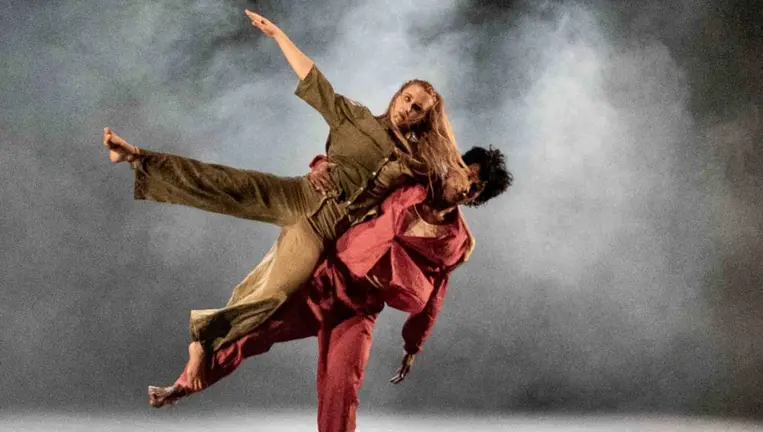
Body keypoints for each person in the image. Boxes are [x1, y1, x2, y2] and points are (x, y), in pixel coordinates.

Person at [103, 8, 471, 379]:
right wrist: (280, 36)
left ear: (424, 119)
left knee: (276, 293)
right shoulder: (354, 117)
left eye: (418, 108)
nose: (408, 108)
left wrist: (453, 159)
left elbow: (454, 173)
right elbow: (314, 80)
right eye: (407, 98)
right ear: (396, 96)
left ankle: (204, 339)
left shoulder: (414, 163)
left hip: (320, 230)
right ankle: (137, 157)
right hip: (298, 196)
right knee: (225, 182)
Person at [147, 146, 513, 432]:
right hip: (328, 279)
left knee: (343, 387)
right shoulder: (411, 182)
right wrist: (321, 163)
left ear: (478, 198)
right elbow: (356, 166)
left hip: (362, 308)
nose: (467, 186)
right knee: (255, 330)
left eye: (477, 188)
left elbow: (436, 294)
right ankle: (182, 386)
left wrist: (412, 345)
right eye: (468, 174)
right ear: (454, 165)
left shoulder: (459, 242)